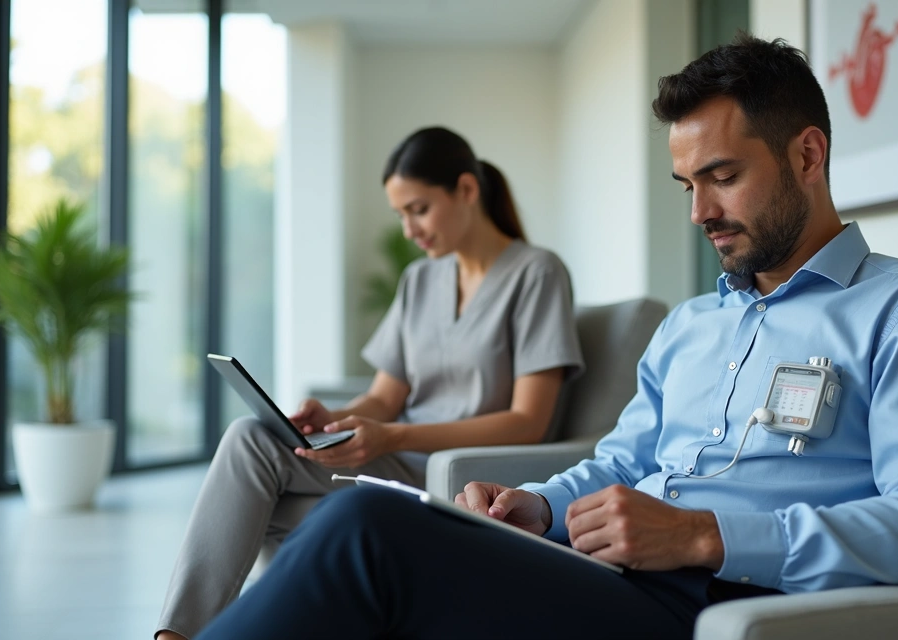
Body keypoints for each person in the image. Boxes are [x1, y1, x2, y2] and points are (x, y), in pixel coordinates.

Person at [193, 35, 898, 640]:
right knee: (358, 545)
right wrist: (538, 507)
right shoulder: (692, 326)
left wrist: (705, 535)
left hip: (720, 602)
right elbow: (619, 463)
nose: (700, 213)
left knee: (364, 531)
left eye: (723, 177)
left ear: (809, 154)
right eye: (687, 186)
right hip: (609, 574)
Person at [154, 127, 585, 640]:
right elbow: (385, 397)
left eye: (419, 210)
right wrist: (333, 419)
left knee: (269, 500)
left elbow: (529, 421)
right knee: (252, 437)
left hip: (464, 478)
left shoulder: (537, 273)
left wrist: (394, 436)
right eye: (400, 214)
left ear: (467, 190)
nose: (409, 229)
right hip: (396, 461)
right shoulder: (419, 281)